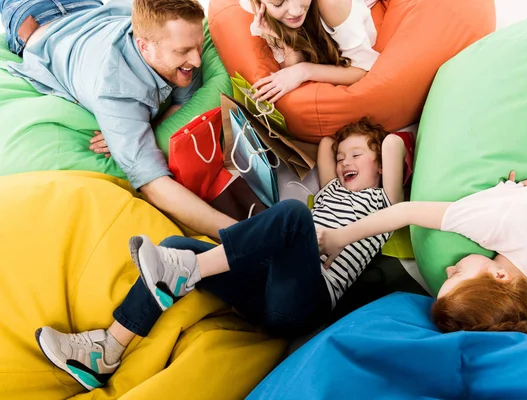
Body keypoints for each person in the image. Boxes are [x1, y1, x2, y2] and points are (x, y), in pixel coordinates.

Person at [33, 118, 405, 391]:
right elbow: (325, 142)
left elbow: (392, 143)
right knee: (174, 248)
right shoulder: (329, 192)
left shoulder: (385, 201)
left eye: (356, 154)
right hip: (267, 286)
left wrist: (375, 141)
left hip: (306, 303)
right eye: (342, 158)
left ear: (383, 166)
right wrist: (343, 144)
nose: (343, 162)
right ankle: (106, 349)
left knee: (292, 215)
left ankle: (187, 270)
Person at [317, 113, 527, 339]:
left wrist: (515, 193)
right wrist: (339, 238)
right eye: (457, 274)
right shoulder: (496, 224)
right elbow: (405, 211)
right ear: (500, 276)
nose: (449, 268)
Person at [0, 0, 237, 239]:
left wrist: (141, 130)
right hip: (32, 17)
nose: (197, 61)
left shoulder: (172, 47)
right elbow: (155, 186)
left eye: (198, 46)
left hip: (86, 7)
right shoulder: (116, 91)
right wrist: (241, 234)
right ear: (144, 47)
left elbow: (183, 102)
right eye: (183, 51)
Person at [239, 0, 381, 103]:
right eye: (278, 3)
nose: (295, 11)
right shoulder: (262, 12)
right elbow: (290, 69)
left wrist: (304, 71)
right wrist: (285, 39)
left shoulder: (332, 4)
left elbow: (363, 71)